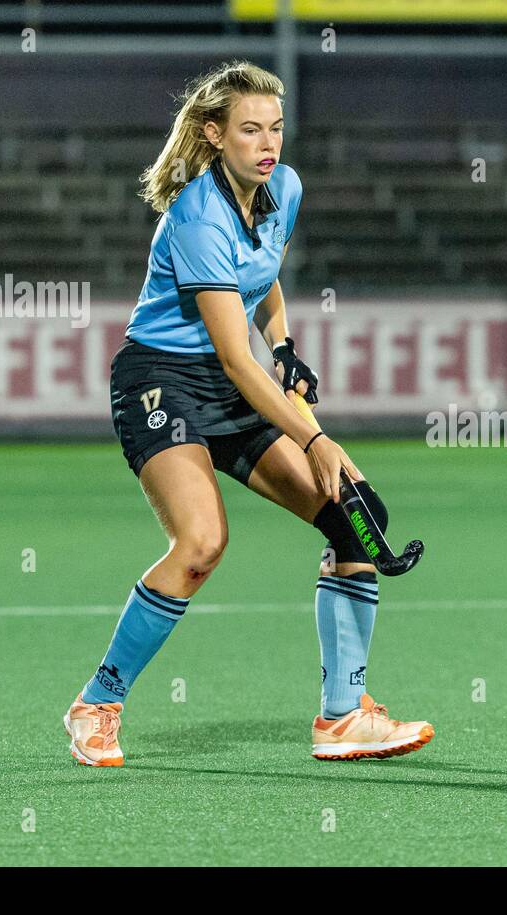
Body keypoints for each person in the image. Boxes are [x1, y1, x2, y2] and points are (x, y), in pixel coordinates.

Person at [63, 61, 433, 766]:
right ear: (215, 135)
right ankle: (98, 701)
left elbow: (261, 277)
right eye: (251, 130)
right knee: (201, 543)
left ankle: (342, 716)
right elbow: (235, 361)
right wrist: (315, 437)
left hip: (235, 380)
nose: (269, 144)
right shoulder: (195, 216)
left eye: (277, 128)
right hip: (162, 380)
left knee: (356, 518)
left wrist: (286, 343)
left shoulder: (282, 189)